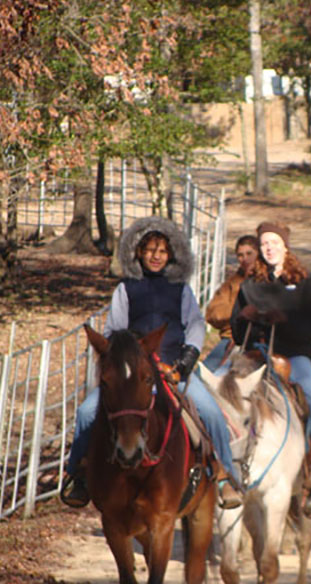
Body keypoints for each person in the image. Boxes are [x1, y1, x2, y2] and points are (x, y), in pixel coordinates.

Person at [61, 216, 242, 510]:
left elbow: (195, 325)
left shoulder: (181, 288)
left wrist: (185, 361)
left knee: (208, 411)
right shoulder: (126, 289)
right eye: (150, 251)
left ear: (171, 255)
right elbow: (114, 329)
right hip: (134, 372)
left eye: (162, 252)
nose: (156, 257)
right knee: (85, 412)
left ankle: (225, 476)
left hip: (173, 369)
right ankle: (78, 474)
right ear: (139, 253)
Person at [229, 221, 311, 517]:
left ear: (285, 246)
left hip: (293, 356)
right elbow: (237, 334)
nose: (269, 248)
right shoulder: (250, 284)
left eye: (274, 242)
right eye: (264, 244)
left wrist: (284, 320)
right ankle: (222, 474)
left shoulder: (304, 281)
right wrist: (245, 318)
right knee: (223, 399)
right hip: (254, 356)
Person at [202, 234, 259, 372]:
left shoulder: (267, 280)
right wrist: (238, 315)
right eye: (240, 255)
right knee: (201, 376)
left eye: (249, 253)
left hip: (258, 342)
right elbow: (212, 314)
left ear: (258, 253)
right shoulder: (232, 283)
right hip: (230, 339)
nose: (244, 259)